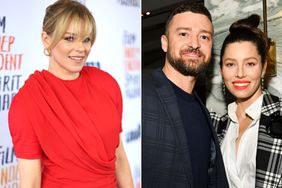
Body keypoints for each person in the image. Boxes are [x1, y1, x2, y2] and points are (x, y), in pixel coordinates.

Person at [8, 0, 133, 187]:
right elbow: (31, 183)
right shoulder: (27, 102)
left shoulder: (107, 84)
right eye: (69, 38)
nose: (81, 49)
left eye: (86, 39)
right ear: (46, 39)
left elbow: (120, 158)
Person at [142, 2, 229, 188]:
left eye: (204, 37)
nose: (195, 44)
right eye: (184, 34)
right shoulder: (140, 94)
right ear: (164, 43)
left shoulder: (203, 111)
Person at [211, 14, 282, 188]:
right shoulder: (217, 128)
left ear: (264, 67)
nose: (240, 73)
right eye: (230, 64)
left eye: (250, 63)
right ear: (221, 70)